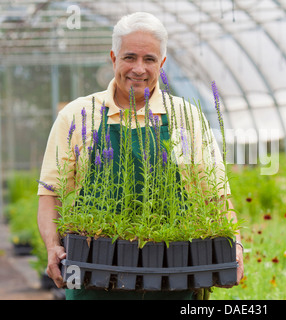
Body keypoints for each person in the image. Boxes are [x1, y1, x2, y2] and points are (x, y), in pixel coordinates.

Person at [37, 12, 244, 300]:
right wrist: (52, 246)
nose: (138, 68)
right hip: (93, 281)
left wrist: (235, 246)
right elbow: (50, 193)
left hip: (174, 278)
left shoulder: (186, 118)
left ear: (162, 63)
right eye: (129, 57)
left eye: (149, 59)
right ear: (113, 58)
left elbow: (216, 196)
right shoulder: (76, 116)